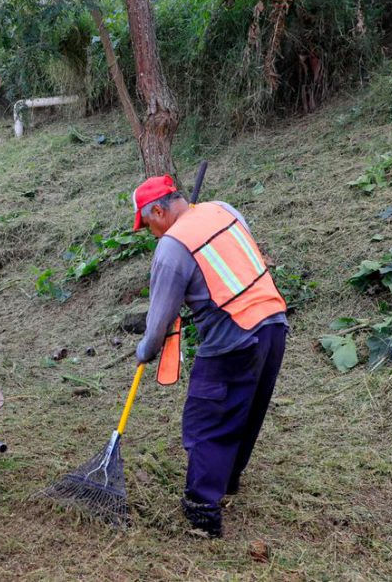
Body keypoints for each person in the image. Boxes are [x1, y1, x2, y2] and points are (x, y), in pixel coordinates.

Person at [131, 175, 288, 538]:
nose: (150, 233)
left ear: (159, 210)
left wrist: (145, 351)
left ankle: (203, 509)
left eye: (149, 224)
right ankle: (228, 480)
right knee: (245, 410)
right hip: (273, 324)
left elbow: (159, 319)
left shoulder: (172, 247)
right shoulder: (223, 210)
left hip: (233, 338)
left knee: (208, 421)